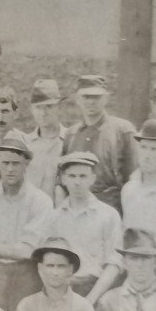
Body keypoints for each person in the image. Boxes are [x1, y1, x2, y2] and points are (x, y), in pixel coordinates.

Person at [0, 131, 52, 311]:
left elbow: (29, 251)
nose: (10, 169)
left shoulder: (41, 201)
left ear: (26, 164)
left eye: (16, 163)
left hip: (28, 275)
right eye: (5, 163)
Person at [46, 151, 120, 302]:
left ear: (93, 178)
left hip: (96, 289)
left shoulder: (108, 215)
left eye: (83, 176)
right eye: (72, 176)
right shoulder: (54, 218)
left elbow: (114, 263)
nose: (77, 182)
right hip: (61, 291)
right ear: (64, 179)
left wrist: (91, 299)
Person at [61, 75, 137, 212]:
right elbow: (62, 177)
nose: (91, 101)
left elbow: (133, 178)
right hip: (76, 208)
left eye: (96, 97)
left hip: (112, 207)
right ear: (77, 99)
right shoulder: (71, 134)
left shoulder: (123, 130)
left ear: (106, 99)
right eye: (86, 97)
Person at [23, 79, 66, 199]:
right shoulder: (25, 145)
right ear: (32, 110)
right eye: (38, 107)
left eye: (49, 106)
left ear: (59, 107)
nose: (43, 113)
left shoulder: (71, 140)